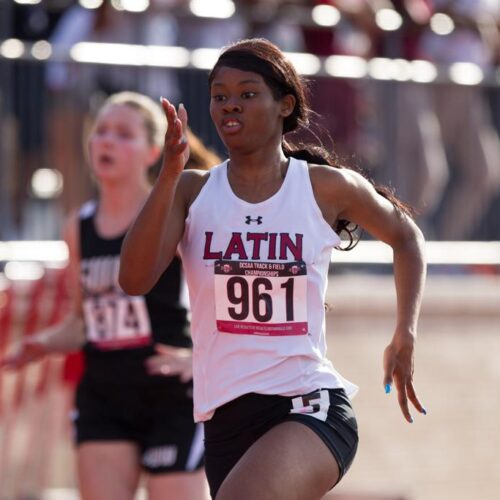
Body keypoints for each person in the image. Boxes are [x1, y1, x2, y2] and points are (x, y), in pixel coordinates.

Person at [119, 39, 427, 500]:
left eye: (247, 93)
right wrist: (167, 173)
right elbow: (134, 279)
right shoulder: (191, 190)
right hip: (223, 420)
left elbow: (407, 237)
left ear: (285, 105)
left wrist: (405, 332)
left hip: (307, 406)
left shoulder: (324, 187)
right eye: (219, 95)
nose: (230, 106)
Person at [1, 91, 217, 500]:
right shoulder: (76, 227)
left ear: (153, 151)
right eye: (101, 131)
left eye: (123, 134)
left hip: (170, 395)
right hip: (104, 395)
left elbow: (223, 302)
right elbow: (85, 321)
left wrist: (203, 357)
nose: (107, 141)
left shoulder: (174, 216)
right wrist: (42, 343)